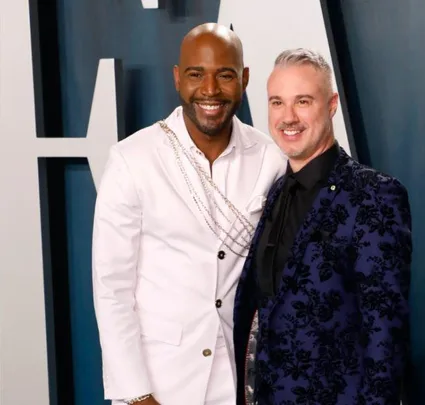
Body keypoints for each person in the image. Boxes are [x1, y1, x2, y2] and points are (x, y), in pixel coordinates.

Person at [92, 23, 286, 405]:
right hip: (157, 382)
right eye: (196, 74)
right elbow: (111, 288)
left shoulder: (271, 159)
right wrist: (136, 394)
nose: (210, 90)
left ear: (244, 79)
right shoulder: (133, 159)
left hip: (238, 384)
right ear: (178, 79)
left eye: (225, 75)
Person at [233, 49, 412, 405]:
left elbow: (385, 340)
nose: (288, 117)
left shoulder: (373, 195)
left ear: (331, 105)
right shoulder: (275, 192)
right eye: (277, 103)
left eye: (302, 101)